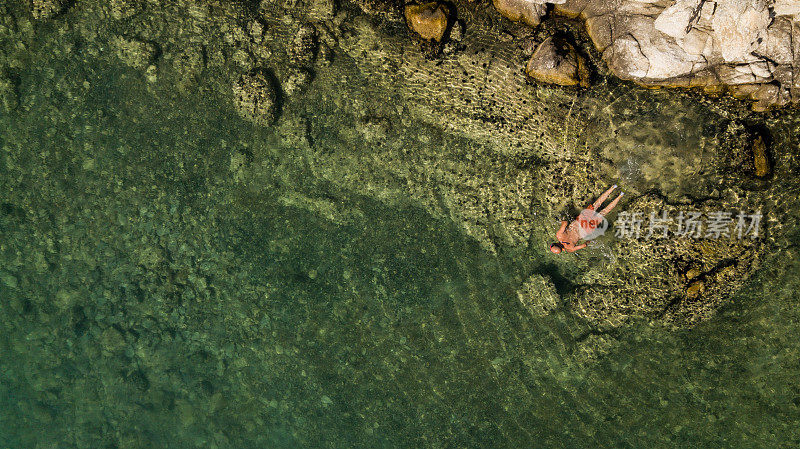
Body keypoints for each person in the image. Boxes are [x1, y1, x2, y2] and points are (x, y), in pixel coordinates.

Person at [550, 185, 623, 254]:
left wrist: (588, 242)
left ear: (562, 250)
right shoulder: (559, 235)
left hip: (587, 230)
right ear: (555, 243)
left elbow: (584, 245)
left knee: (603, 212)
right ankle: (613, 187)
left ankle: (620, 195)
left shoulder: (570, 249)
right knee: (596, 205)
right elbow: (565, 223)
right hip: (580, 221)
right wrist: (562, 221)